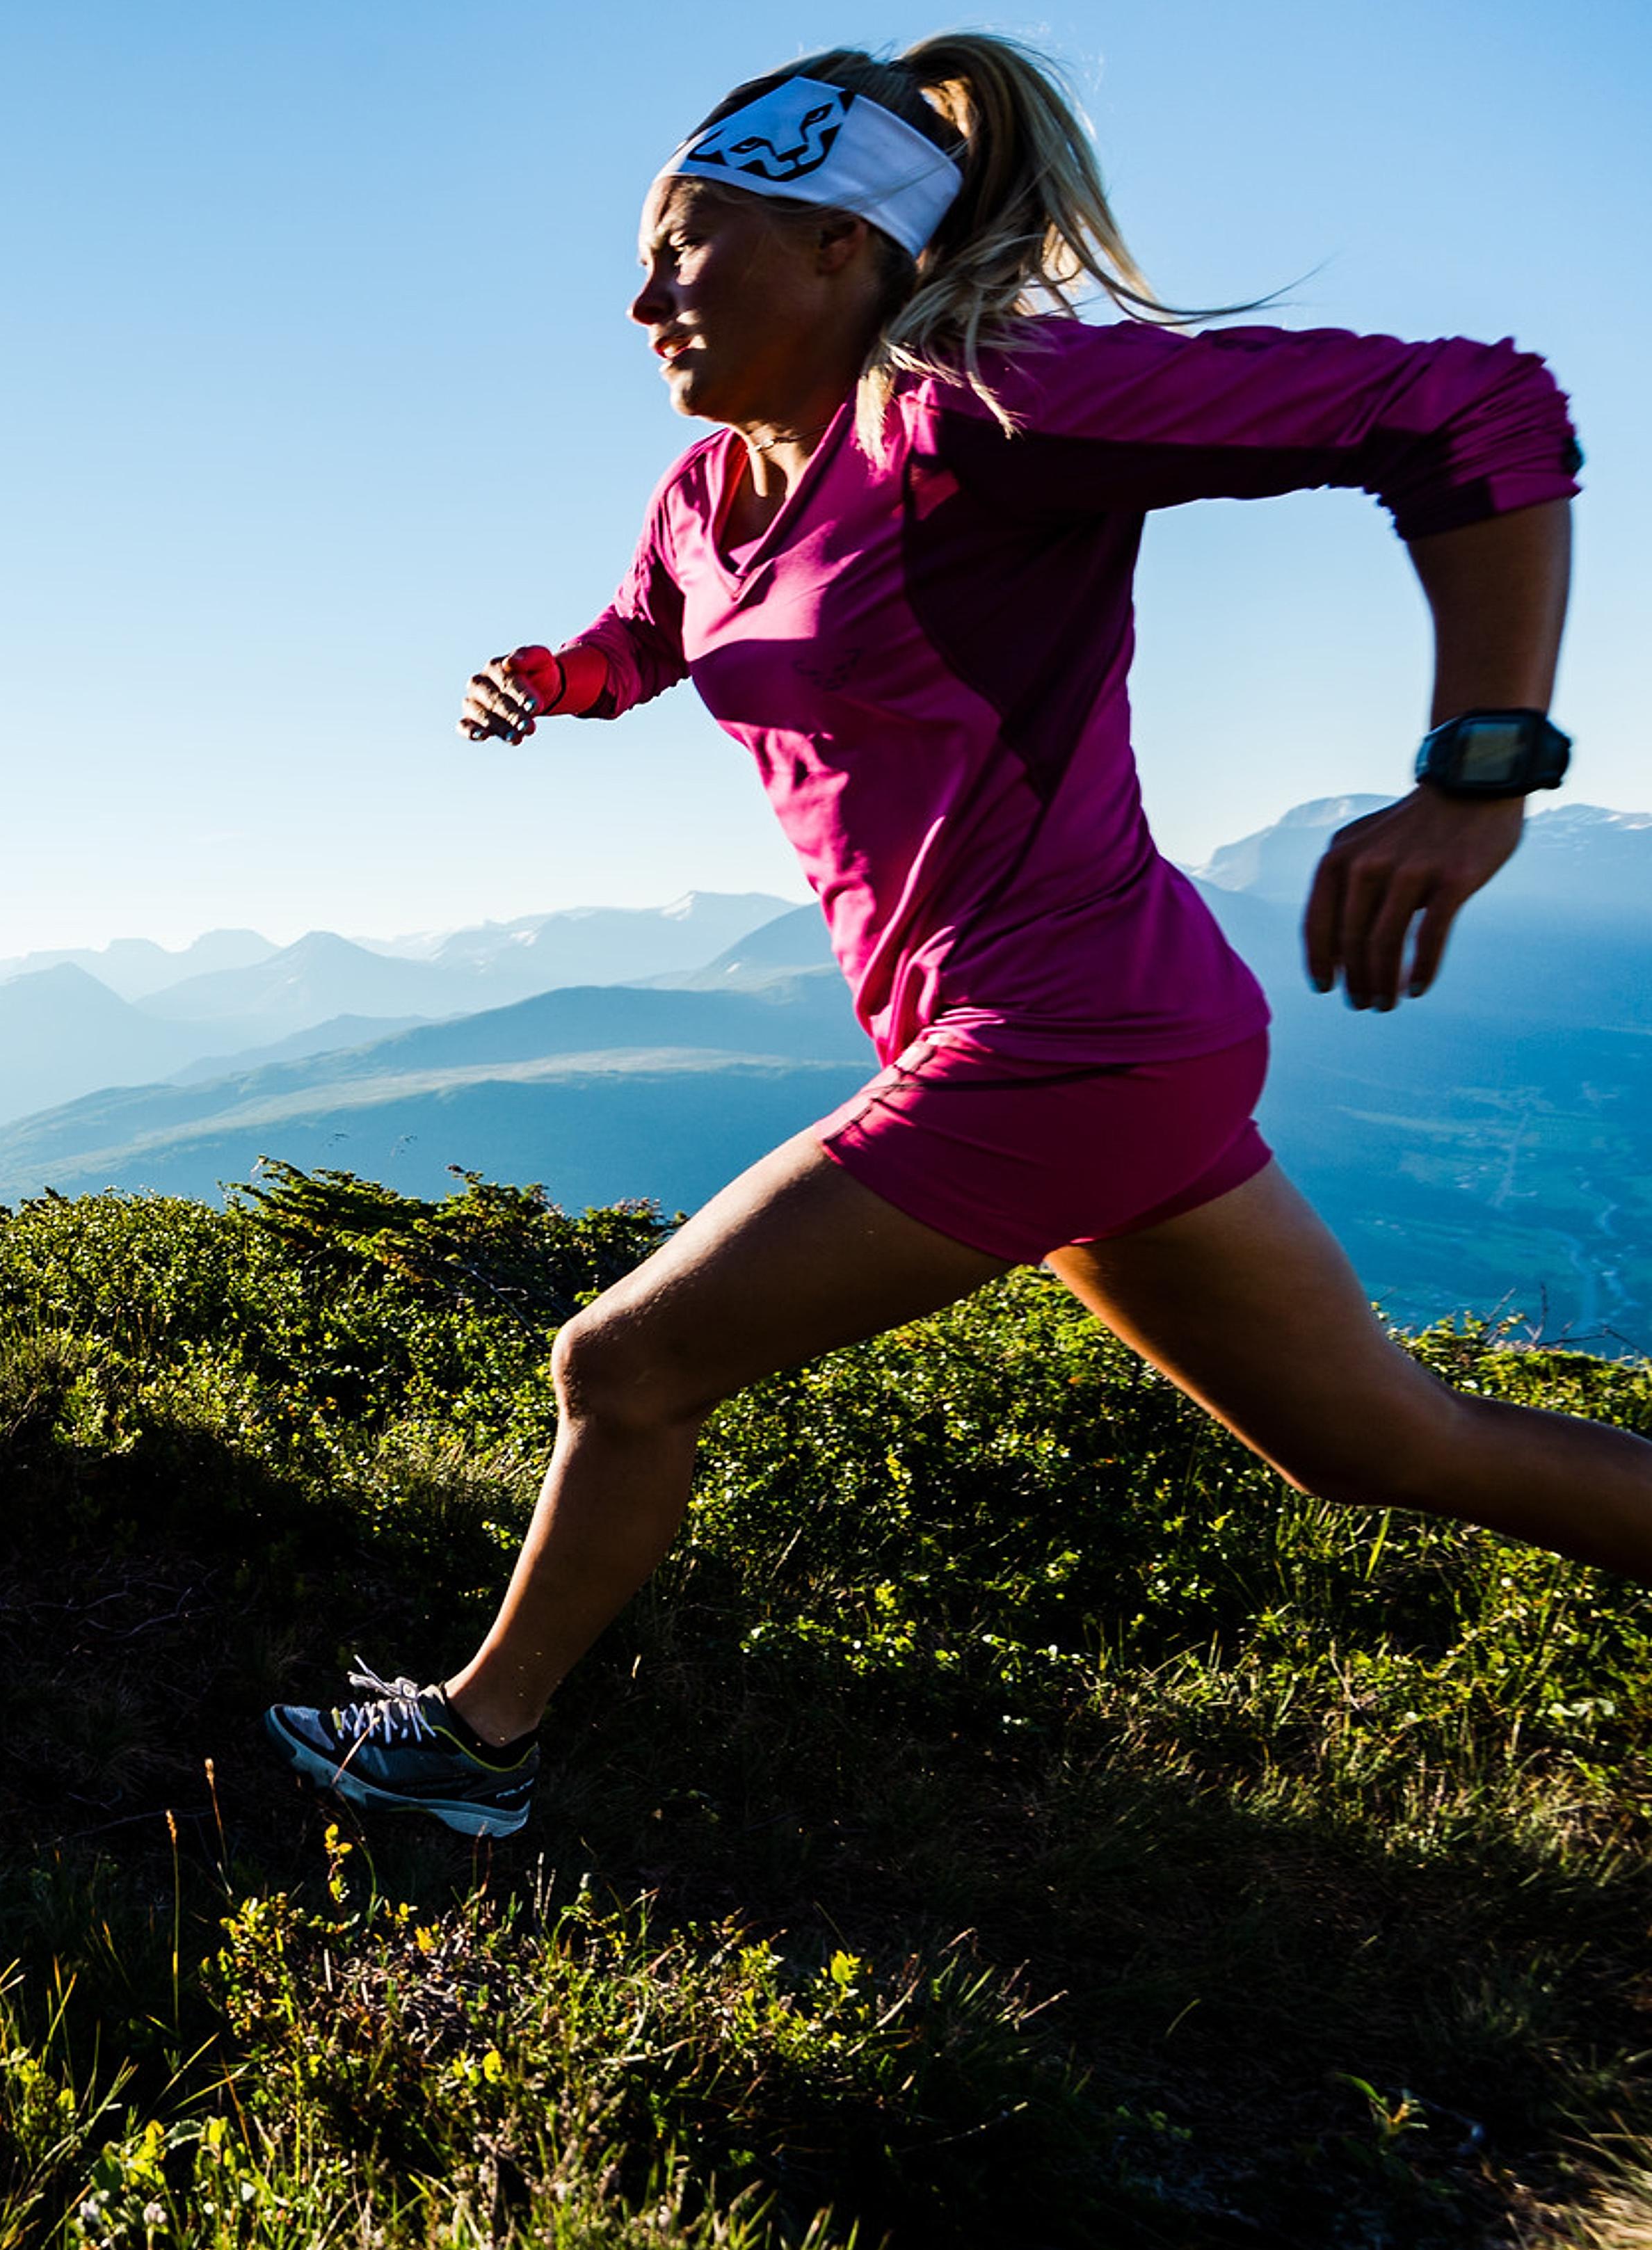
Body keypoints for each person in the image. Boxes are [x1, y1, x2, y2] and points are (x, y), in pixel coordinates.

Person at [263, 33, 1639, 1838]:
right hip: (1084, 1038)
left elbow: (1477, 411)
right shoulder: (707, 496)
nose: (638, 297)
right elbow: (659, 628)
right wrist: (558, 679)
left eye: (689, 244)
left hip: (1067, 1036)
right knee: (1379, 1445)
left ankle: (476, 1743)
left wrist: (1479, 768)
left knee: (621, 1363)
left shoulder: (977, 419)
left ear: (845, 246)